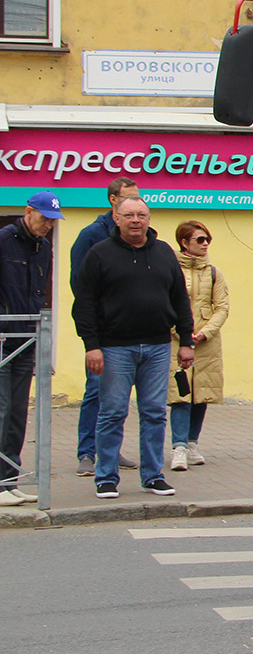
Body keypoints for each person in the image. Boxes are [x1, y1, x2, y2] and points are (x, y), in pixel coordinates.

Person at [72, 197, 194, 499]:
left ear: (149, 218)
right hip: (114, 349)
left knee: (154, 413)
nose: (135, 220)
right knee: (112, 413)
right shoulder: (99, 254)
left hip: (157, 346)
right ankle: (106, 478)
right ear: (116, 218)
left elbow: (180, 298)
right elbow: (84, 303)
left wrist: (187, 341)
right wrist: (92, 346)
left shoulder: (165, 253)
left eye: (141, 215)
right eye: (128, 215)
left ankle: (152, 476)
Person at [69, 176, 141, 477]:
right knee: (96, 390)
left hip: (130, 330)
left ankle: (110, 449)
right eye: (128, 198)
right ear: (113, 200)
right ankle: (87, 452)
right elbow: (79, 283)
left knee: (119, 395)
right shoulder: (92, 235)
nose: (134, 207)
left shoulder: (138, 237)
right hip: (102, 331)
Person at [0, 192, 63, 506]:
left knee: (17, 414)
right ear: (28, 212)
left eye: (53, 221)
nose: (48, 226)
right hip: (2, 339)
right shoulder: (3, 240)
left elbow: (41, 291)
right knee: (1, 408)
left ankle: (9, 480)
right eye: (44, 219)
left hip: (27, 340)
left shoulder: (44, 247)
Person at [168, 221, 230, 472]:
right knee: (180, 394)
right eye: (200, 240)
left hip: (206, 343)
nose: (205, 244)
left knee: (201, 394)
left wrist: (204, 333)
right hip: (176, 341)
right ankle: (179, 447)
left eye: (207, 240)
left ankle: (192, 444)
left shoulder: (214, 273)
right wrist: (181, 333)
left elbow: (222, 307)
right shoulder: (171, 270)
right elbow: (164, 303)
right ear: (184, 243)